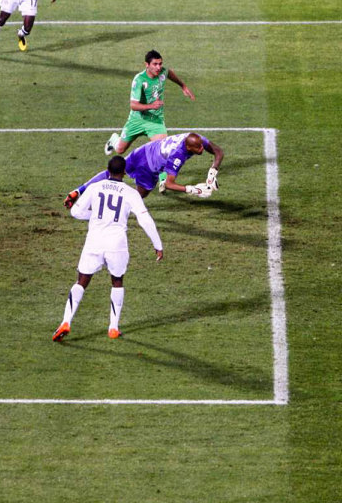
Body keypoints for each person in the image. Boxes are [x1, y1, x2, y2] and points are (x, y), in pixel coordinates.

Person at [54, 155, 163, 341]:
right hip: (117, 244)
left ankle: (66, 321)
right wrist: (157, 244)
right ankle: (113, 327)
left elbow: (76, 211)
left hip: (94, 242)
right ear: (124, 172)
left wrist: (97, 216)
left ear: (108, 170)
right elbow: (145, 220)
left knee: (81, 281)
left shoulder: (95, 188)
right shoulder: (131, 193)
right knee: (117, 281)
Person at [65, 131, 222, 208]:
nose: (202, 149)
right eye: (198, 147)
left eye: (201, 145)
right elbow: (169, 183)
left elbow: (218, 152)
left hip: (144, 150)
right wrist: (193, 190)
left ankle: (78, 191)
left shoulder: (195, 138)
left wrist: (212, 171)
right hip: (149, 166)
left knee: (112, 172)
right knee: (140, 195)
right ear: (188, 147)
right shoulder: (178, 155)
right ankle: (107, 206)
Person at [104, 50, 195, 156]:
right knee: (120, 149)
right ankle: (113, 139)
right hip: (137, 119)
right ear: (147, 65)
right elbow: (133, 105)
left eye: (160, 64)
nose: (158, 67)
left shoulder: (162, 72)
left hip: (155, 121)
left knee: (163, 153)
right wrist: (151, 106)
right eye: (155, 64)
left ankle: (160, 172)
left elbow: (169, 73)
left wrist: (182, 85)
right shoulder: (139, 80)